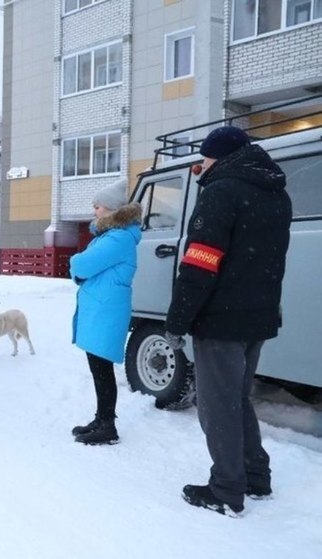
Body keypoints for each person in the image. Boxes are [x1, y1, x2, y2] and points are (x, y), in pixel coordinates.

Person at [165, 126, 292, 517]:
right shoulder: (277, 195)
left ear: (218, 157)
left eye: (203, 159)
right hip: (258, 315)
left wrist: (178, 318)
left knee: (216, 404)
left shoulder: (222, 191)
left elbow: (201, 261)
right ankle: (255, 475)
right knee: (235, 398)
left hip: (221, 319)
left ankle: (226, 490)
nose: (201, 166)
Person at [69, 178, 142, 445]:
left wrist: (75, 262)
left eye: (98, 206)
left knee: (102, 368)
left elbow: (83, 265)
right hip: (101, 308)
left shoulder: (118, 238)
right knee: (98, 367)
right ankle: (101, 418)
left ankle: (107, 426)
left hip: (106, 310)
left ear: (111, 209)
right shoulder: (110, 236)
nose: (94, 211)